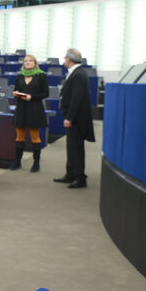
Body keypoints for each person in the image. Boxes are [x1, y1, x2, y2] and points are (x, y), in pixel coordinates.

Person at [54, 48, 95, 189]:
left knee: (76, 148)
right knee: (71, 147)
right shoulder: (76, 73)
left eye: (65, 57)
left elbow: (77, 99)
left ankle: (80, 177)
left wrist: (69, 118)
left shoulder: (78, 74)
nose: (64, 60)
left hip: (76, 119)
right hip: (74, 117)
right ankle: (70, 174)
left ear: (69, 59)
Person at [10, 54, 49, 172]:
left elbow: (45, 93)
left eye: (30, 61)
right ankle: (17, 162)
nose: (27, 62)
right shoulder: (20, 76)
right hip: (21, 108)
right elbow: (16, 90)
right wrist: (16, 94)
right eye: (25, 61)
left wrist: (31, 97)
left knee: (35, 137)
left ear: (35, 63)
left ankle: (36, 163)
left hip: (35, 109)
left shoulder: (41, 76)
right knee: (19, 136)